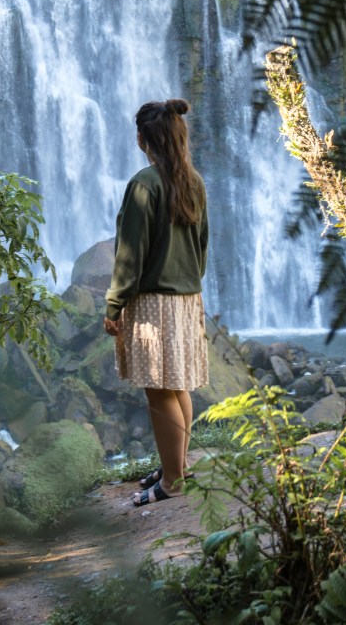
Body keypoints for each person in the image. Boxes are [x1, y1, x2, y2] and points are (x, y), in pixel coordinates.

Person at [103, 99, 209, 506]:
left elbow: (130, 254)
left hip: (152, 301)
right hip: (186, 296)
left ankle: (173, 483)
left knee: (158, 391)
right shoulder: (194, 182)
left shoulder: (144, 184)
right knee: (176, 384)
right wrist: (189, 283)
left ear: (142, 139)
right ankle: (175, 468)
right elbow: (202, 246)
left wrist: (115, 305)